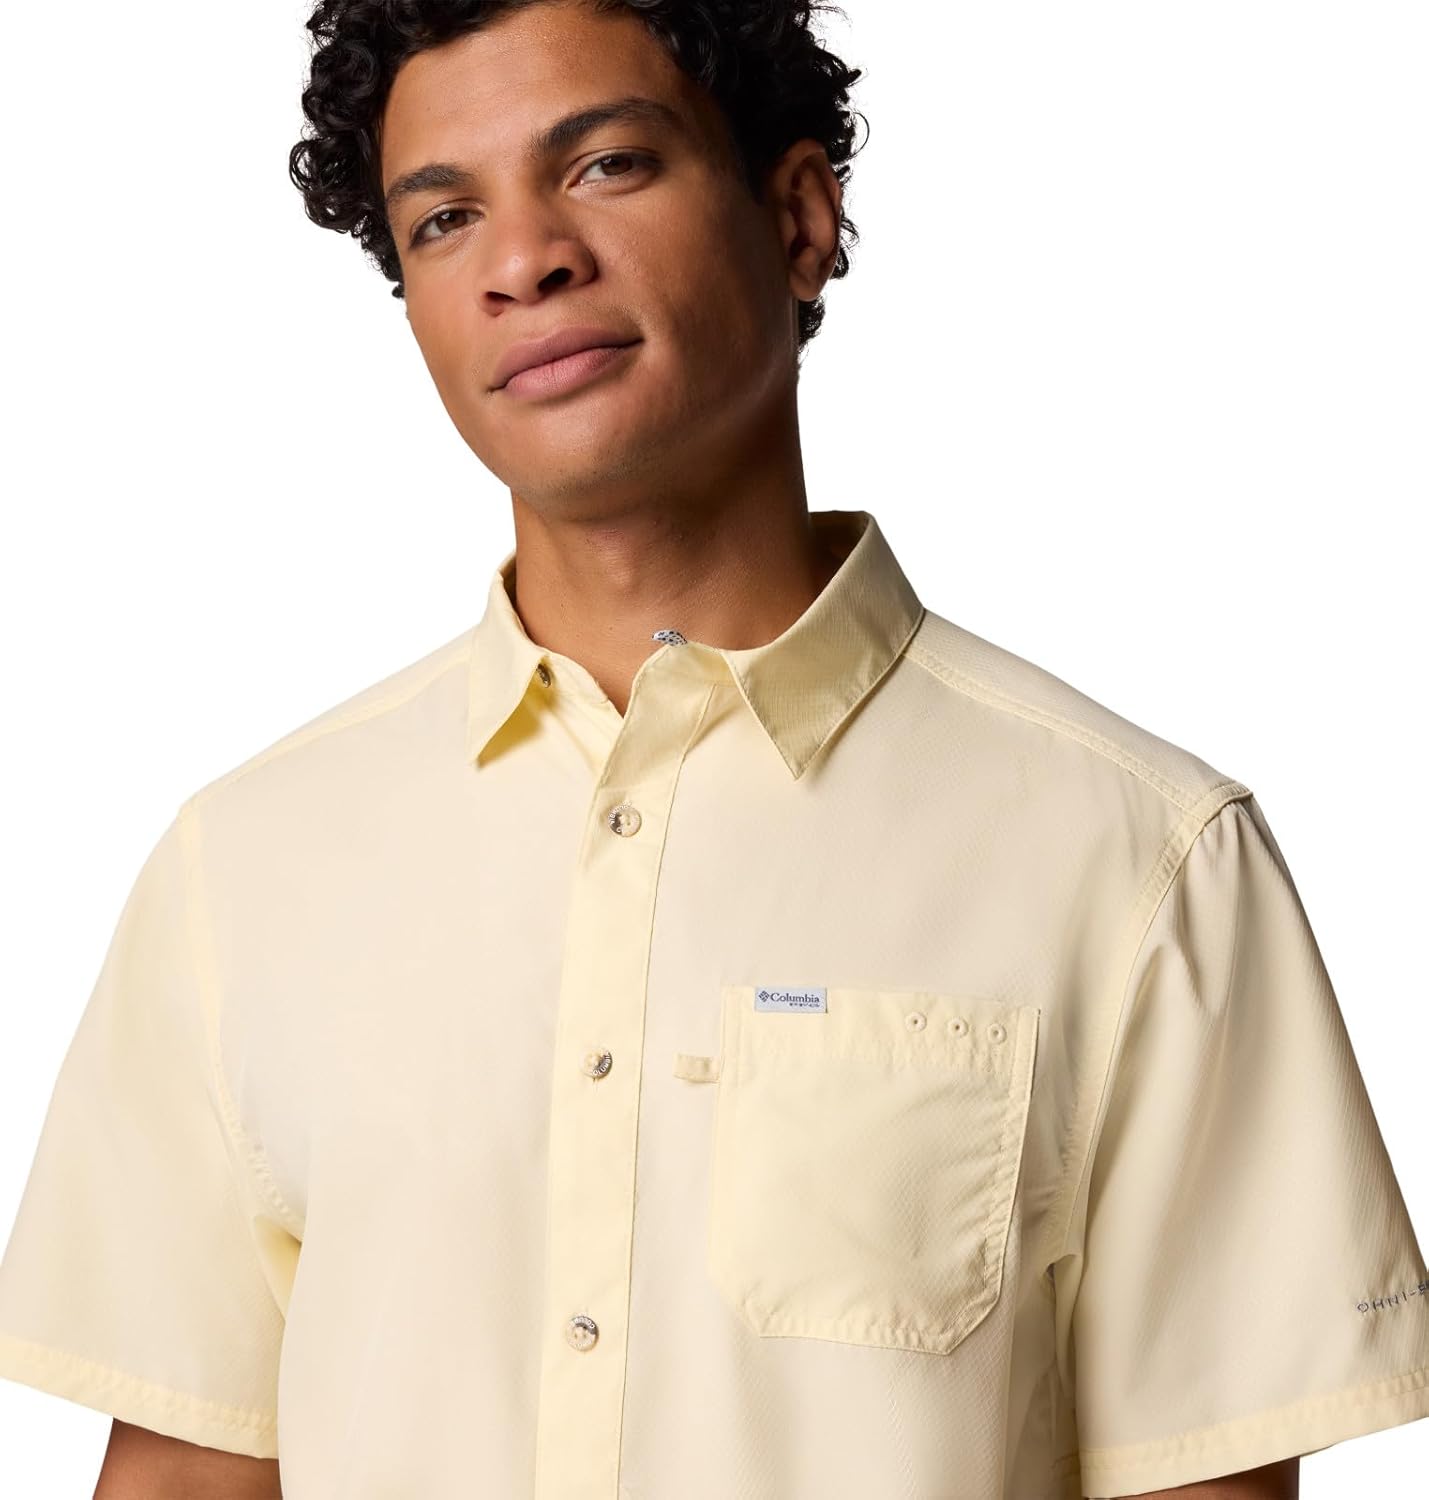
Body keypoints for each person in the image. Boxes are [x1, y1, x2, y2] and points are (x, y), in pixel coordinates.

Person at [1, 2, 1425, 1497]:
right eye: (443, 218)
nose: (523, 260)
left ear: (798, 219)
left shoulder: (1139, 860)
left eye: (606, 164)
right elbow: (183, 1476)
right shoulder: (246, 869)